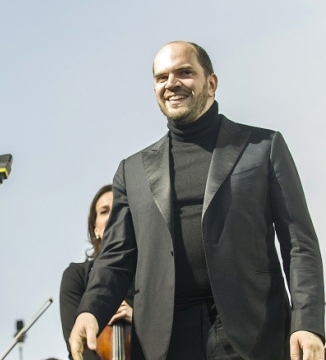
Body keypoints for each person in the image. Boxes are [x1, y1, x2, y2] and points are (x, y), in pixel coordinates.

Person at [69, 41, 324, 360]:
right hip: (165, 342)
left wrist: (308, 323)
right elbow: (117, 257)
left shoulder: (263, 147)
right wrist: (90, 310)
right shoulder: (131, 171)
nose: (171, 83)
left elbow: (299, 244)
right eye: (162, 77)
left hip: (254, 335)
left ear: (211, 83)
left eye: (184, 72)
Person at [60, 184, 133, 360]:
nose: (112, 216)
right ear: (95, 228)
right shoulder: (76, 275)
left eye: (118, 209)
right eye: (104, 211)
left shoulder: (147, 273)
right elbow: (78, 345)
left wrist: (138, 317)